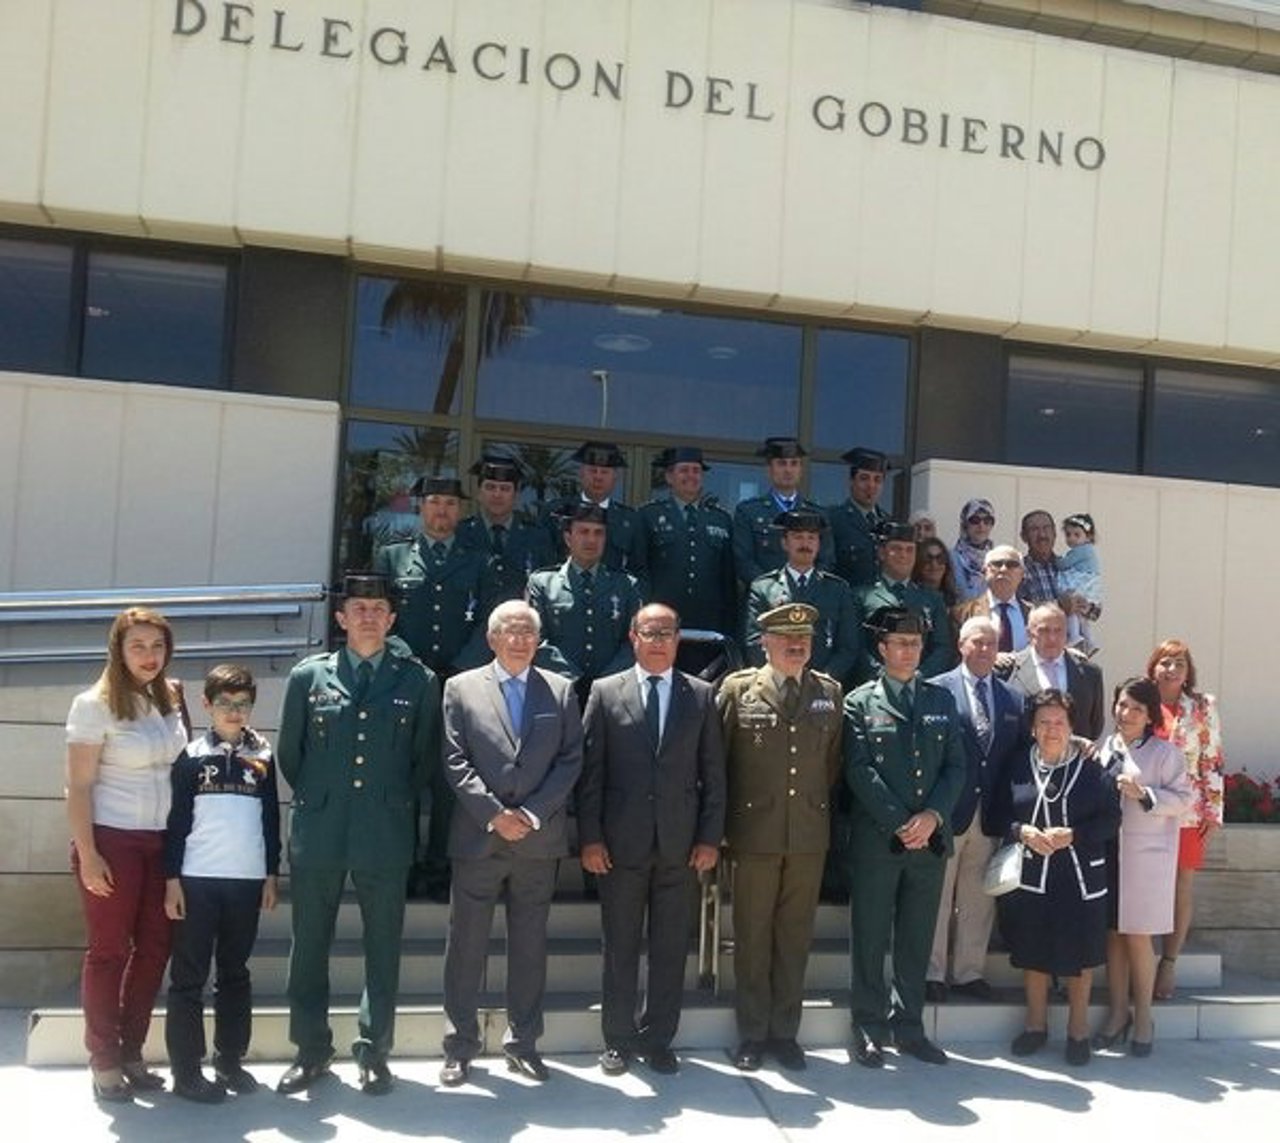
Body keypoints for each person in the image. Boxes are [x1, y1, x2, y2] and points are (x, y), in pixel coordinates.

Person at [276, 573, 439, 1097]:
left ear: (392, 620)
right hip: (320, 827)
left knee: (382, 946)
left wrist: (387, 802)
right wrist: (325, 797)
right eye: (359, 608)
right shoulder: (308, 677)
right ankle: (311, 1050)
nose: (369, 616)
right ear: (341, 618)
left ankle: (374, 1052)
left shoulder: (417, 681)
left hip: (384, 829)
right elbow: (291, 756)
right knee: (309, 945)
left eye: (379, 608)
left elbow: (423, 759)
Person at [439, 600, 584, 1086]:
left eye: (528, 632)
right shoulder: (460, 688)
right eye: (510, 631)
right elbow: (455, 758)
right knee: (466, 945)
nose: (520, 640)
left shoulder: (561, 690)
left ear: (538, 640)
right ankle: (459, 1045)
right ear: (492, 638)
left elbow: (570, 761)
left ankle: (523, 1042)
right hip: (480, 838)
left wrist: (528, 813)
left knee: (529, 944)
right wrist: (495, 815)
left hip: (537, 842)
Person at [578, 604, 726, 1076]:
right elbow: (590, 778)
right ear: (633, 637)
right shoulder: (604, 693)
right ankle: (618, 1039)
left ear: (679, 639)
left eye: (667, 632)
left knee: (668, 949)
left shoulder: (701, 696)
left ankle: (660, 1038)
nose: (659, 640)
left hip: (681, 848)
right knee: (619, 946)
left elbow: (714, 777)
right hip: (620, 846)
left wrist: (709, 839)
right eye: (650, 632)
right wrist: (591, 838)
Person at [65, 607, 190, 1102]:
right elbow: (76, 786)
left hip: (162, 844)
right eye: (138, 646)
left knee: (155, 949)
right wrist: (89, 853)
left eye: (157, 646)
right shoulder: (92, 705)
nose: (149, 656)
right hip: (112, 841)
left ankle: (132, 1050)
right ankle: (104, 1059)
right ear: (117, 649)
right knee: (109, 952)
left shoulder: (172, 696)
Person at [716, 603, 843, 1073]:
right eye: (787, 640)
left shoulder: (829, 693)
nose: (797, 646)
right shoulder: (738, 690)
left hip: (808, 834)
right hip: (753, 834)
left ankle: (784, 1032)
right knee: (752, 936)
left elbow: (830, 764)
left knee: (794, 936)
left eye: (804, 640)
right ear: (764, 642)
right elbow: (720, 760)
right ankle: (752, 1032)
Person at [843, 609, 966, 1068]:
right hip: (880, 840)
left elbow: (956, 765)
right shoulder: (858, 702)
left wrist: (932, 816)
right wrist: (901, 821)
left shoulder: (940, 700)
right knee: (871, 936)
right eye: (899, 643)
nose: (908, 651)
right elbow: (858, 770)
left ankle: (909, 1027)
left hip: (929, 842)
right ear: (882, 649)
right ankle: (868, 1027)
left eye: (915, 644)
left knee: (916, 939)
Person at [163, 664, 280, 1103]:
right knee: (188, 977)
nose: (235, 712)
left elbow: (270, 818)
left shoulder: (264, 754)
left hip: (246, 881)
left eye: (243, 704)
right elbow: (175, 822)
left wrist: (271, 872)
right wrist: (171, 878)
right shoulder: (191, 755)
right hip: (196, 879)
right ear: (207, 705)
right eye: (226, 704)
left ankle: (229, 1059)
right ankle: (187, 1072)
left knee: (235, 974)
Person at [375, 474, 491, 901]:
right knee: (404, 773)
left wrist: (463, 667)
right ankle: (403, 862)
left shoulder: (479, 561)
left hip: (459, 682)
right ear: (420, 508)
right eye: (434, 502)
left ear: (461, 511)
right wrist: (410, 662)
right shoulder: (392, 557)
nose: (442, 510)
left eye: (449, 503)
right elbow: (380, 616)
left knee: (448, 781)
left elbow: (487, 621)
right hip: (406, 680)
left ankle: (441, 863)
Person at [992, 691, 1120, 1067]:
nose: (1052, 729)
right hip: (1031, 874)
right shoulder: (1016, 765)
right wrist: (1023, 831)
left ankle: (1078, 1031)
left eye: (1059, 722)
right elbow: (997, 816)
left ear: (1072, 726)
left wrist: (1075, 836)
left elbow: (1112, 820)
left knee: (1079, 957)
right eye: (1044, 722)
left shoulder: (1094, 767)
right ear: (1032, 728)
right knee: (1033, 952)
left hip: (1080, 877)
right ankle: (1036, 1026)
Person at [925, 618, 1026, 1003]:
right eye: (978, 642)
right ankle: (932, 972)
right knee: (936, 896)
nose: (985, 649)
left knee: (978, 898)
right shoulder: (936, 691)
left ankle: (969, 972)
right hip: (946, 813)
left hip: (990, 816)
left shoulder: (1013, 699)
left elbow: (1016, 760)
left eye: (992, 643)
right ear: (961, 644)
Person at [1093, 678, 1193, 1057]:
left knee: (1137, 936)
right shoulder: (1107, 747)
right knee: (1114, 936)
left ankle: (1144, 1017)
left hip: (1144, 857)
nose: (1127, 713)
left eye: (1136, 708)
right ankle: (1117, 1014)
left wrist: (1145, 794)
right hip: (1107, 853)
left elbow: (1184, 798)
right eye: (1121, 705)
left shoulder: (1165, 753)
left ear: (1150, 714)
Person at [1146, 639, 1226, 1001]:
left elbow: (1212, 758)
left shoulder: (1202, 707)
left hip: (1189, 810)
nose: (1172, 669)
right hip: (1147, 809)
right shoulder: (1141, 702)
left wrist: (1213, 809)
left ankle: (1169, 962)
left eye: (1179, 663)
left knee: (1181, 883)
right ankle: (1142, 958)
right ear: (1153, 668)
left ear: (1188, 671)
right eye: (1165, 662)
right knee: (1148, 883)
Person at [527, 502, 643, 706]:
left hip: (612, 694)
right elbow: (535, 638)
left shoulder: (626, 585)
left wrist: (606, 683)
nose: (591, 539)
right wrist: (573, 679)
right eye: (584, 532)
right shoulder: (543, 583)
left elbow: (635, 640)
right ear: (568, 538)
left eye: (599, 533)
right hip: (558, 690)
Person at [743, 509, 862, 688]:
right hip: (775, 686)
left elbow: (848, 647)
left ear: (819, 544)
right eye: (798, 537)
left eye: (812, 538)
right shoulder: (763, 588)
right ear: (785, 542)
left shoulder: (838, 590)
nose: (805, 544)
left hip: (822, 690)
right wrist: (780, 678)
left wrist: (821, 681)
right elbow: (754, 642)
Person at [637, 447, 737, 637]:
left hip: (709, 623)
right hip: (661, 621)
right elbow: (640, 570)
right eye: (684, 470)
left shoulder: (721, 519)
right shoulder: (648, 516)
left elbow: (728, 580)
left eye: (696, 471)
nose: (691, 476)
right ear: (669, 477)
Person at [854, 522, 954, 684]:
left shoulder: (932, 599)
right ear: (882, 553)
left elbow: (942, 647)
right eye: (897, 549)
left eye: (909, 550)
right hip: (874, 688)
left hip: (920, 688)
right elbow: (856, 646)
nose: (903, 555)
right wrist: (883, 675)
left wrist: (920, 676)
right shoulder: (860, 596)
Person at [456, 451, 555, 606]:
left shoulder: (537, 536)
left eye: (505, 488)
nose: (497, 494)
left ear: (516, 496)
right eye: (490, 487)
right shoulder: (460, 533)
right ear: (478, 493)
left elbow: (547, 588)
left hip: (519, 625)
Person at [541, 440, 647, 582]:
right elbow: (542, 560)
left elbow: (640, 570)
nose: (598, 477)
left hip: (613, 599)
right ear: (581, 473)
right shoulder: (555, 511)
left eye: (604, 472)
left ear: (616, 477)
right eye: (592, 470)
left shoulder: (630, 519)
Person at [733, 436, 831, 586]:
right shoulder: (748, 512)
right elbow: (743, 561)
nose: (788, 470)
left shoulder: (817, 514)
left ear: (801, 470)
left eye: (794, 464)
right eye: (781, 463)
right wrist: (772, 590)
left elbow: (826, 560)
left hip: (808, 600)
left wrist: (807, 588)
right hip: (764, 603)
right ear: (769, 470)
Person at [1001, 603, 1105, 739]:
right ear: (1029, 634)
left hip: (1075, 756)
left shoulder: (1090, 674)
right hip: (1027, 757)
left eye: (1058, 631)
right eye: (1044, 630)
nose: (1052, 638)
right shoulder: (1008, 672)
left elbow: (1095, 727)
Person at [951, 545, 1030, 661]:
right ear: (984, 571)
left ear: (1022, 574)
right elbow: (955, 656)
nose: (1003, 569)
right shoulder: (961, 614)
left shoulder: (1034, 613)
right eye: (997, 564)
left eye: (1011, 565)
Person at [828, 446, 891, 589]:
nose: (871, 485)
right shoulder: (834, 519)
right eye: (864, 478)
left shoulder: (890, 523)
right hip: (848, 605)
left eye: (877, 480)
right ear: (851, 481)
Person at [1058, 513, 1102, 654]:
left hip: (1082, 582)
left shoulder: (1081, 550)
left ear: (1088, 537)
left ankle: (1075, 636)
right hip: (1089, 583)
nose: (1071, 539)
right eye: (1068, 534)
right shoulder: (1088, 550)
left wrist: (1056, 560)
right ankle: (1089, 640)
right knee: (1081, 615)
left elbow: (1064, 564)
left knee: (1073, 607)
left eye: (1077, 535)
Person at [912, 536, 960, 658]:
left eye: (940, 558)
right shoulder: (911, 598)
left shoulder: (956, 600)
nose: (934, 564)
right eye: (927, 559)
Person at [950, 497, 995, 603]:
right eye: (975, 520)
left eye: (987, 521)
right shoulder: (951, 558)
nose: (981, 525)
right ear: (965, 524)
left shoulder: (997, 559)